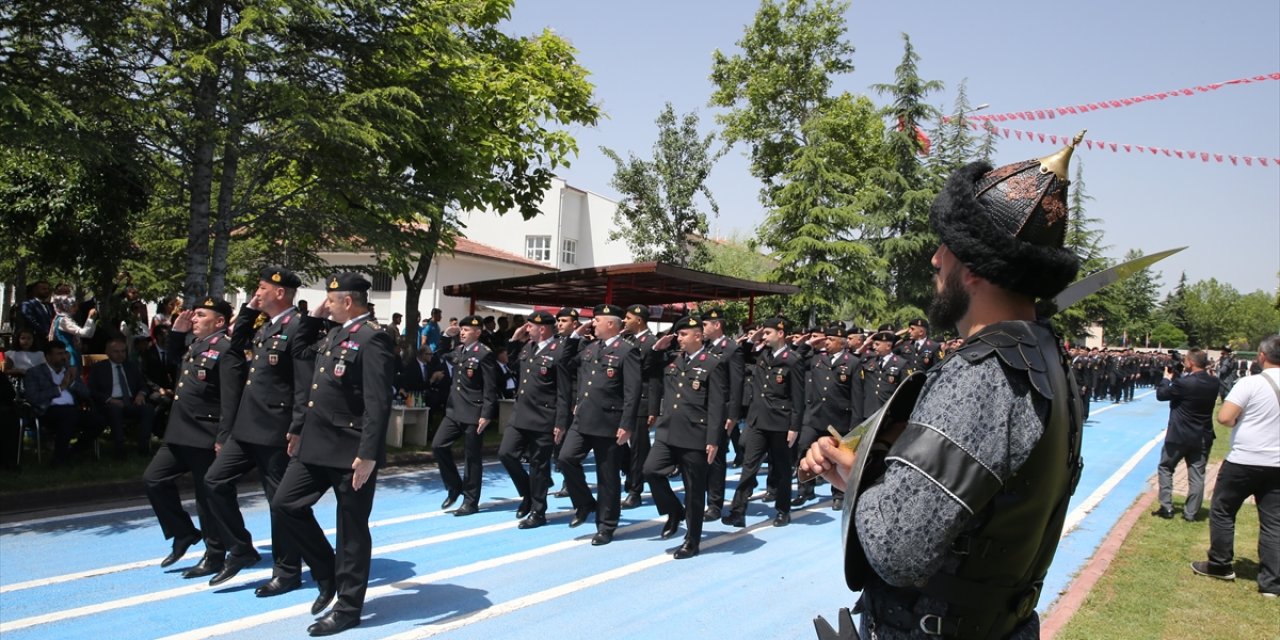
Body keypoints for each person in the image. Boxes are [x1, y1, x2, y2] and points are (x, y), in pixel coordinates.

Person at [801, 136, 1087, 638]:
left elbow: (897, 549)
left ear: (972, 269)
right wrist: (860, 471)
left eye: (947, 249)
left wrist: (864, 483)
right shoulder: (1046, 355)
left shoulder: (983, 374)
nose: (935, 260)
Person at [272, 273, 395, 636]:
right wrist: (315, 317)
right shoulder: (334, 333)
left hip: (350, 450)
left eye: (331, 298)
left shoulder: (373, 338)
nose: (326, 302)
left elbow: (378, 401)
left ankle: (348, 606)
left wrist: (369, 453)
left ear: (347, 301)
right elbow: (299, 351)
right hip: (316, 444)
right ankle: (326, 571)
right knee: (285, 504)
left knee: (351, 531)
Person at [203, 267, 323, 596]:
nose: (257, 292)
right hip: (247, 425)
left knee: (278, 501)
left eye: (262, 288)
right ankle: (241, 547)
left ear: (280, 292)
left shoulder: (298, 326)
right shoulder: (266, 324)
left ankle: (287, 571)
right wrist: (248, 310)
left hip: (276, 428)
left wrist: (298, 427)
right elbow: (236, 344)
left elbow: (304, 384)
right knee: (214, 481)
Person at [143, 299, 245, 579]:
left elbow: (231, 399)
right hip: (179, 432)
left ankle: (215, 554)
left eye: (201, 315)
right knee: (154, 479)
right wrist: (176, 333)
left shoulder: (227, 351)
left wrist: (224, 437)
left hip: (205, 434)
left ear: (219, 322)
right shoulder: (196, 346)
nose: (195, 319)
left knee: (206, 497)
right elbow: (172, 362)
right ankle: (184, 532)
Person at [1192, 335, 1280, 597]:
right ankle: (1271, 583)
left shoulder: (1250, 383)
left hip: (1244, 459)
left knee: (1223, 510)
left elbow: (1225, 417)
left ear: (1261, 356)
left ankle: (1220, 564)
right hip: (1277, 462)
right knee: (1273, 521)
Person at [643, 316, 728, 559]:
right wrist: (655, 349)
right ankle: (674, 510)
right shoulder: (671, 360)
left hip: (695, 435)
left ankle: (692, 540)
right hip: (668, 432)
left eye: (683, 334)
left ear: (698, 336)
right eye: (678, 335)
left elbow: (716, 404)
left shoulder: (712, 363)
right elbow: (647, 370)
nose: (678, 338)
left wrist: (713, 438)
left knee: (694, 490)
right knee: (650, 470)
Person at [558, 304, 641, 546]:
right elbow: (564, 364)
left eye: (597, 320)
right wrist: (574, 337)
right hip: (583, 419)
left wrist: (627, 424)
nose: (593, 323)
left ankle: (606, 525)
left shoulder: (627, 351)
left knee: (608, 478)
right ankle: (585, 503)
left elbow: (632, 391)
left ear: (612, 324)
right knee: (565, 459)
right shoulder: (589, 347)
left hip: (609, 422)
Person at [498, 311, 577, 529]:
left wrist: (561, 422)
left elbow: (564, 391)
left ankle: (538, 511)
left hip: (544, 417)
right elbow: (513, 365)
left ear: (542, 328)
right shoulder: (528, 347)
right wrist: (514, 340)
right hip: (521, 415)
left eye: (530, 326)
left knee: (539, 466)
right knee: (506, 454)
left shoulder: (558, 351)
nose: (527, 329)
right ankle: (528, 494)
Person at [723, 316, 803, 529]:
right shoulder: (762, 354)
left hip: (780, 423)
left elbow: (798, 397)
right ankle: (738, 511)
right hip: (758, 421)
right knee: (749, 467)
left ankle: (782, 510)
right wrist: (754, 337)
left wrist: (794, 426)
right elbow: (742, 353)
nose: (764, 337)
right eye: (763, 333)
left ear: (781, 333)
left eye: (768, 333)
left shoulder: (792, 360)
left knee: (782, 469)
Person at [433, 315, 498, 516]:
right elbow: (440, 353)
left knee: (472, 458)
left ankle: (471, 501)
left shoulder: (484, 354)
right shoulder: (459, 351)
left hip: (474, 413)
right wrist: (445, 335)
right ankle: (454, 486)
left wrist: (486, 414)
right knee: (438, 445)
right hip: (454, 411)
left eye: (467, 329)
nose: (462, 332)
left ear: (477, 333)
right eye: (461, 329)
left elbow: (490, 387)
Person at [794, 324, 861, 509]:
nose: (827, 343)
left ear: (842, 343)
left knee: (837, 456)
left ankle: (838, 495)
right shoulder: (817, 359)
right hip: (815, 416)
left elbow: (856, 397)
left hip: (838, 419)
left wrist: (854, 427)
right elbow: (796, 359)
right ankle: (805, 488)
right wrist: (808, 343)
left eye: (831, 340)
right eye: (827, 339)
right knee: (803, 447)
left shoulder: (853, 362)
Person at [1152, 348, 1220, 521]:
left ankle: (1166, 506)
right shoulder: (1214, 382)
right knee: (1197, 475)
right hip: (1202, 434)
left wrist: (1166, 379)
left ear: (1190, 362)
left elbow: (1161, 395)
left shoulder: (1184, 384)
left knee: (1166, 467)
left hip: (1179, 435)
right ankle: (1191, 513)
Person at [23, 341, 102, 466]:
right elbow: (33, 398)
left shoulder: (69, 372)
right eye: (59, 354)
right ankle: (58, 460)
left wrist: (72, 383)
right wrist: (59, 388)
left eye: (64, 353)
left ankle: (73, 452)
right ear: (48, 356)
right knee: (67, 415)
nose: (63, 357)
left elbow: (86, 394)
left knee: (98, 420)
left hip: (71, 410)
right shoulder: (34, 373)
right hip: (47, 411)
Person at [699, 307, 745, 522]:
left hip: (722, 410)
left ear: (717, 325)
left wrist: (732, 414)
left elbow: (736, 385)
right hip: (703, 409)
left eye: (706, 324)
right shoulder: (704, 347)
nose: (703, 328)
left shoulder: (731, 349)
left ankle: (715, 504)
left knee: (716, 458)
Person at [619, 303, 662, 509]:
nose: (624, 321)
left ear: (639, 320)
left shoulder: (652, 343)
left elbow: (654, 379)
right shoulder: (626, 340)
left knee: (638, 448)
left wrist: (653, 409)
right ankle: (630, 473)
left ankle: (635, 490)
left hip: (641, 401)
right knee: (616, 443)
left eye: (628, 317)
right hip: (623, 399)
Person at [87, 336, 157, 457]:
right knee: (115, 410)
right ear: (107, 352)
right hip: (110, 404)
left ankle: (143, 447)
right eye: (116, 352)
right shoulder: (99, 368)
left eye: (123, 351)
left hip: (131, 402)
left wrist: (141, 394)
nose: (120, 355)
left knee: (148, 408)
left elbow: (144, 385)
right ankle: (120, 449)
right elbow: (92, 390)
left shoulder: (131, 367)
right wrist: (109, 400)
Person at [48, 294, 97, 374]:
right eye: (73, 306)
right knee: (72, 376)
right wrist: (90, 318)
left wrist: (92, 319)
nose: (76, 308)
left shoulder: (66, 318)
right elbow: (84, 333)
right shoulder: (63, 320)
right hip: (68, 354)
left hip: (74, 352)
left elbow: (89, 334)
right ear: (64, 306)